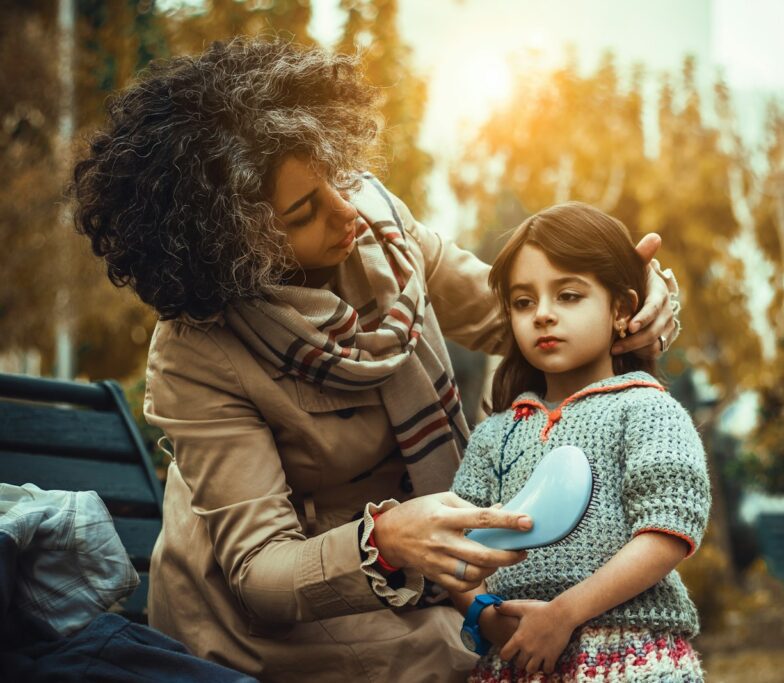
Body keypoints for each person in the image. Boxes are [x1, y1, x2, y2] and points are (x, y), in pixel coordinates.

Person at [69, 38, 681, 682]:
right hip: (272, 624)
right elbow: (262, 573)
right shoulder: (196, 352)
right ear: (235, 244)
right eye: (305, 211)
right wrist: (381, 541)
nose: (345, 212)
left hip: (428, 583)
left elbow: (526, 318)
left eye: (333, 176)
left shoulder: (383, 232)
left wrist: (635, 302)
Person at [450, 202, 710, 681]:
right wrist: (486, 618)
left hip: (631, 655)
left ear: (621, 308)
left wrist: (564, 614)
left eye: (568, 295)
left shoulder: (647, 410)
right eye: (524, 302)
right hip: (517, 658)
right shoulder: (493, 435)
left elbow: (668, 532)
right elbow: (456, 549)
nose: (543, 315)